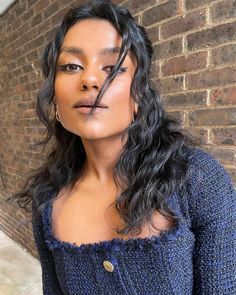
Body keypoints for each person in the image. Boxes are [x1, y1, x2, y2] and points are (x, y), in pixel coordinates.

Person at [9, 0, 236, 294]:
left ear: (139, 92)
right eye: (71, 66)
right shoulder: (48, 200)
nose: (90, 79)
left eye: (113, 67)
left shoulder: (198, 181)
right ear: (54, 95)